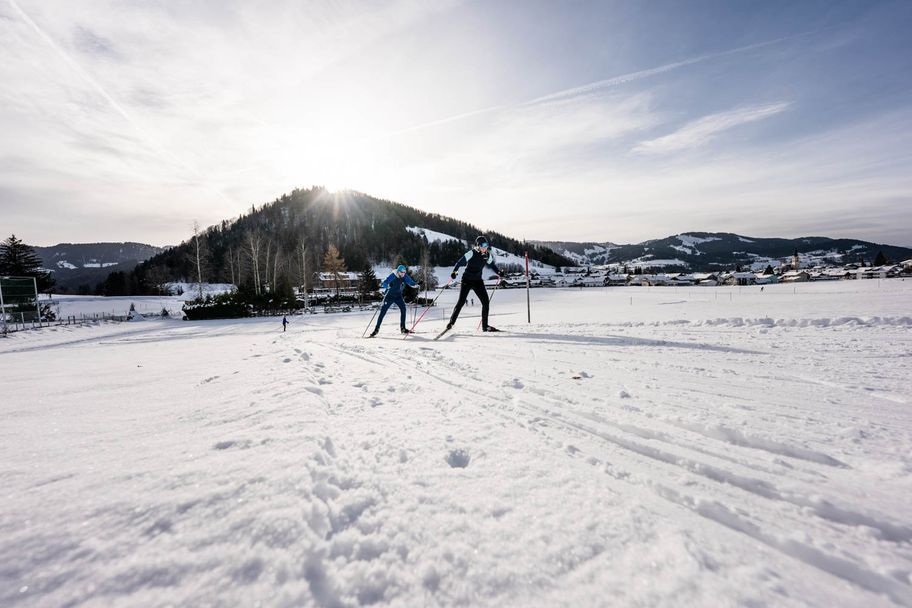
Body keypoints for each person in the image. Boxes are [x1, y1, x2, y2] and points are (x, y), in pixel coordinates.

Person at [446, 236, 502, 332]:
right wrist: (454, 272)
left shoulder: (487, 255)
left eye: (486, 245)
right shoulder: (471, 253)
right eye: (483, 245)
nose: (485, 247)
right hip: (467, 280)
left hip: (477, 281)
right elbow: (459, 263)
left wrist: (499, 272)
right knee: (461, 302)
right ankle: (451, 322)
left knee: (486, 302)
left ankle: (485, 326)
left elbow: (492, 265)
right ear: (478, 246)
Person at [370, 264, 419, 336]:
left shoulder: (404, 276)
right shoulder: (393, 276)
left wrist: (416, 285)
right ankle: (376, 329)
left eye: (404, 272)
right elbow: (384, 283)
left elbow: (410, 282)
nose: (403, 274)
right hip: (389, 296)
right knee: (383, 312)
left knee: (403, 309)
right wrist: (388, 285)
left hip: (398, 296)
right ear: (398, 272)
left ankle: (403, 328)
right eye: (402, 272)